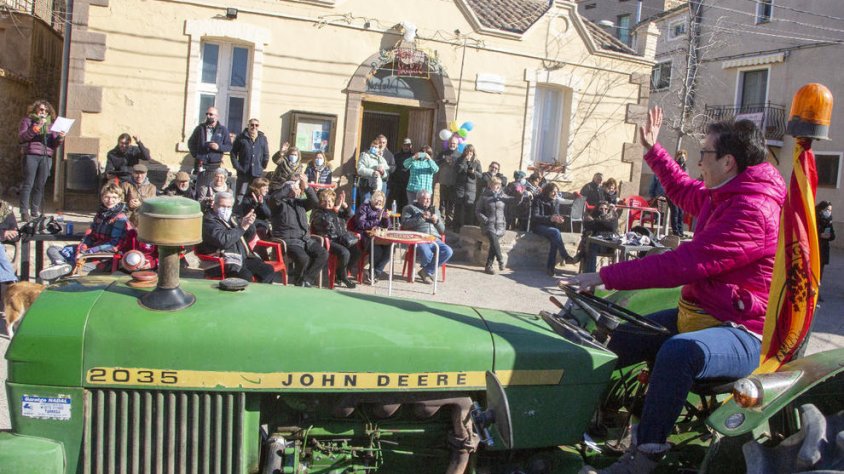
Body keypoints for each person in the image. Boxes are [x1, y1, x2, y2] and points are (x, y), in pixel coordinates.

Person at [570, 107, 786, 474]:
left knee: (678, 352)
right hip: (701, 315)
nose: (699, 162)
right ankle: (589, 420)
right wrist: (653, 150)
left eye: (704, 153)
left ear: (728, 162)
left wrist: (605, 276)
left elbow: (684, 263)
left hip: (743, 330)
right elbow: (684, 191)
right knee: (620, 337)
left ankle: (646, 455)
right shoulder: (723, 193)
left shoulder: (752, 211)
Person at [39, 183, 130, 281]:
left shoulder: (120, 218)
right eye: (107, 197)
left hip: (103, 257)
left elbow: (114, 244)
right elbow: (90, 235)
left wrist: (88, 252)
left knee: (74, 269)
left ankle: (65, 267)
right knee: (53, 249)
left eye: (114, 197)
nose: (110, 200)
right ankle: (60, 264)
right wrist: (82, 248)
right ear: (102, 198)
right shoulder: (101, 214)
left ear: (119, 199)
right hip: (90, 250)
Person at [196, 191, 278, 283]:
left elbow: (248, 237)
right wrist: (242, 228)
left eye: (229, 207)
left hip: (241, 256)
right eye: (222, 206)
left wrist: (249, 224)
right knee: (245, 277)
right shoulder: (208, 221)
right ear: (214, 205)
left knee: (267, 270)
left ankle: (259, 292)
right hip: (221, 261)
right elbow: (224, 240)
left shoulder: (233, 218)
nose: (226, 209)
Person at [268, 176, 328, 287]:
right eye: (296, 188)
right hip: (289, 240)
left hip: (305, 239)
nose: (298, 191)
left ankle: (306, 279)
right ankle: (299, 281)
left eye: (298, 189)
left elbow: (315, 202)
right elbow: (274, 198)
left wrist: (307, 187)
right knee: (303, 258)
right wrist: (289, 186)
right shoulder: (278, 205)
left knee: (323, 253)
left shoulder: (300, 203)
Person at [18, 99, 65, 221]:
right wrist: (37, 127)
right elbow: (22, 137)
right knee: (28, 183)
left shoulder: (52, 125)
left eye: (46, 111)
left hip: (46, 156)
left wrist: (60, 138)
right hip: (31, 155)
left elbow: (54, 143)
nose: (43, 112)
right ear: (36, 109)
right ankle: (24, 211)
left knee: (40, 185)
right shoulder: (28, 121)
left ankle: (35, 211)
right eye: (41, 109)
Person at [401, 190, 453, 284]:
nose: (428, 201)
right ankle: (427, 272)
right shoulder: (409, 208)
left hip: (434, 238)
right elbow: (405, 224)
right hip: (419, 237)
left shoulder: (435, 210)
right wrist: (421, 218)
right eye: (425, 199)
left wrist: (437, 221)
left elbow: (442, 230)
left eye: (429, 198)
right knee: (427, 253)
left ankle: (426, 271)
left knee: (448, 251)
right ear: (418, 199)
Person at [311, 189, 359, 289]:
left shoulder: (336, 211)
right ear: (320, 202)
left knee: (356, 251)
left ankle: (340, 272)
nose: (327, 204)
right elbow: (326, 222)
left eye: (330, 201)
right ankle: (343, 277)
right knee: (345, 253)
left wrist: (344, 205)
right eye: (324, 201)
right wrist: (333, 210)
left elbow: (350, 215)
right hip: (327, 240)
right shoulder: (317, 212)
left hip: (340, 238)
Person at [476, 177, 517, 274]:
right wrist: (485, 219)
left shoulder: (503, 196)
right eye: (495, 184)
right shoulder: (484, 196)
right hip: (488, 224)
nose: (497, 186)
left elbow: (515, 201)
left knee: (494, 243)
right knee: (493, 238)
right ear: (490, 185)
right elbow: (478, 211)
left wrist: (520, 194)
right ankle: (500, 260)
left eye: (499, 184)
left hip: (500, 225)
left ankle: (488, 266)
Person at [532, 182, 575, 276]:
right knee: (556, 232)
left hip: (551, 227)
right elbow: (535, 217)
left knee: (555, 239)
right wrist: (550, 218)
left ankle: (550, 269)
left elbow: (556, 214)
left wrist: (559, 219)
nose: (555, 194)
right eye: (553, 191)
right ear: (547, 191)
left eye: (557, 192)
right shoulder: (538, 199)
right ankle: (565, 256)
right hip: (538, 226)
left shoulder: (556, 201)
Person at [354, 190, 392, 284]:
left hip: (379, 237)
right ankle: (372, 274)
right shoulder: (364, 208)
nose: (379, 202)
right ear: (372, 199)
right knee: (377, 250)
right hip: (365, 236)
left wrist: (386, 219)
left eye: (381, 201)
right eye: (377, 200)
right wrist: (377, 219)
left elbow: (388, 227)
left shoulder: (382, 210)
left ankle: (374, 273)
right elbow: (361, 224)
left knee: (390, 250)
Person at [187, 106, 232, 185]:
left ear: (217, 116)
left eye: (211, 114)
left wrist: (218, 147)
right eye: (207, 114)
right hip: (200, 163)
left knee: (212, 186)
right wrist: (196, 155)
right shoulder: (200, 128)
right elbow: (191, 143)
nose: (208, 116)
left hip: (214, 164)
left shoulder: (223, 130)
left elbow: (229, 146)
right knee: (199, 187)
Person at [230, 118, 269, 204]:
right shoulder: (241, 138)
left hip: (257, 173)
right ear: (248, 126)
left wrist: (262, 166)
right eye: (252, 125)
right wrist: (237, 166)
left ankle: (254, 211)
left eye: (256, 125)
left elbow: (266, 154)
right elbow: (233, 153)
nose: (254, 127)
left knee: (256, 194)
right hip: (243, 172)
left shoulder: (262, 138)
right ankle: (238, 211)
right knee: (241, 195)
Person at [576, 201, 620, 273]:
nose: (603, 211)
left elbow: (612, 227)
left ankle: (588, 274)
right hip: (595, 244)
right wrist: (604, 225)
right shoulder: (592, 216)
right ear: (597, 209)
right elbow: (587, 225)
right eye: (601, 209)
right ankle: (590, 274)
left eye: (606, 209)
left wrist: (595, 221)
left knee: (591, 246)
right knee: (592, 246)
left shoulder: (613, 217)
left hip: (608, 246)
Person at [454, 144, 482, 230]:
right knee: (458, 207)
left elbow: (480, 175)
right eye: (467, 151)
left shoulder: (477, 162)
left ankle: (468, 228)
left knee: (469, 208)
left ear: (473, 153)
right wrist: (464, 160)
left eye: (471, 151)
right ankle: (456, 227)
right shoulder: (460, 159)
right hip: (460, 187)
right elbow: (457, 170)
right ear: (464, 152)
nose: (469, 153)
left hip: (471, 188)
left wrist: (474, 172)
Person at [436, 136, 460, 227]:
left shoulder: (460, 155)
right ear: (448, 143)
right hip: (443, 182)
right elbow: (436, 163)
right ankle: (441, 222)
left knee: (452, 204)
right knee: (442, 202)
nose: (452, 145)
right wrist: (444, 159)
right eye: (450, 143)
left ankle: (449, 223)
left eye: (454, 143)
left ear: (457, 144)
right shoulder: (442, 153)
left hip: (454, 183)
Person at [357, 139, 389, 204]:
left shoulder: (381, 159)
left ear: (379, 149)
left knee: (377, 204)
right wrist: (372, 172)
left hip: (377, 185)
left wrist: (382, 173)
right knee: (366, 203)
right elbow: (360, 169)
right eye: (372, 146)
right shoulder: (365, 155)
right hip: (366, 184)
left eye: (376, 147)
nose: (373, 148)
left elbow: (386, 173)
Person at [1, 200, 20, 298]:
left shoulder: (5, 208)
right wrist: (3, 233)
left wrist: (12, 234)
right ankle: (10, 280)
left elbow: (15, 231)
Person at [816, 201, 835, 295]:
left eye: (830, 210)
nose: (829, 212)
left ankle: (817, 293)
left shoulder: (829, 221)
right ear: (821, 209)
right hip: (816, 249)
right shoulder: (816, 219)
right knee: (814, 271)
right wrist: (820, 235)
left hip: (824, 250)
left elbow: (833, 236)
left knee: (820, 273)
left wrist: (829, 236)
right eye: (827, 210)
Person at [390, 137, 414, 211]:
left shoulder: (413, 156)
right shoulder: (396, 156)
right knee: (395, 203)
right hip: (397, 183)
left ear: (411, 146)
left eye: (408, 145)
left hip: (408, 184)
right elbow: (392, 168)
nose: (406, 147)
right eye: (404, 145)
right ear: (402, 146)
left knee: (406, 203)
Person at [669, 150, 688, 236]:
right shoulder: (673, 166)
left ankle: (680, 231)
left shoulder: (685, 168)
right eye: (680, 156)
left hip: (681, 193)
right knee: (675, 211)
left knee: (681, 212)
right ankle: (675, 231)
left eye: (683, 156)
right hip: (672, 192)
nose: (681, 158)